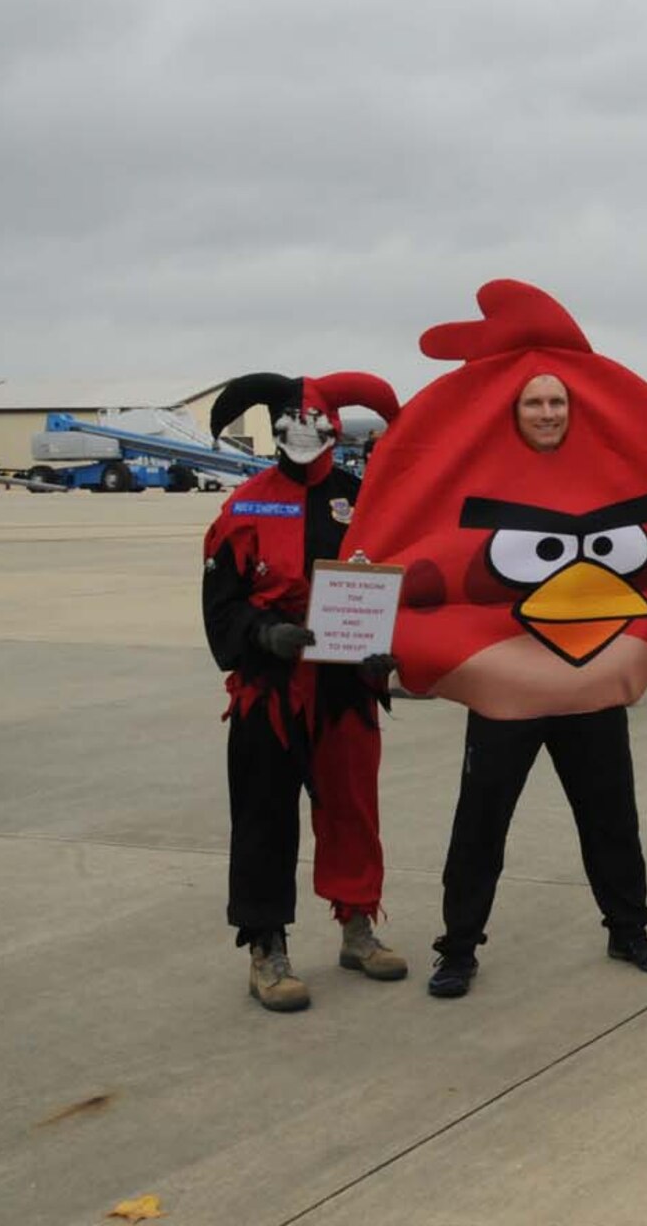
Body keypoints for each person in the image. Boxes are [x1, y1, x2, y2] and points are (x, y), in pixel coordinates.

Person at [426, 370, 647, 997]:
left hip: (587, 682)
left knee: (611, 813)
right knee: (481, 822)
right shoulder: (480, 476)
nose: (546, 412)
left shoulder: (604, 474)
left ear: (573, 408)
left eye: (557, 401)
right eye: (534, 402)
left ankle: (629, 928)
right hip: (506, 687)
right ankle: (458, 946)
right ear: (513, 411)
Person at [201, 371, 407, 1012]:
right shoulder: (246, 506)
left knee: (353, 809)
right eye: (290, 417)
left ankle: (357, 926)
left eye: (313, 417)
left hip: (345, 689)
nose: (302, 428)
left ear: (334, 428)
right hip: (271, 693)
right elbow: (221, 604)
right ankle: (267, 947)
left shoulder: (363, 498)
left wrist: (387, 644)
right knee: (263, 817)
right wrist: (267, 634)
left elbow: (393, 586)